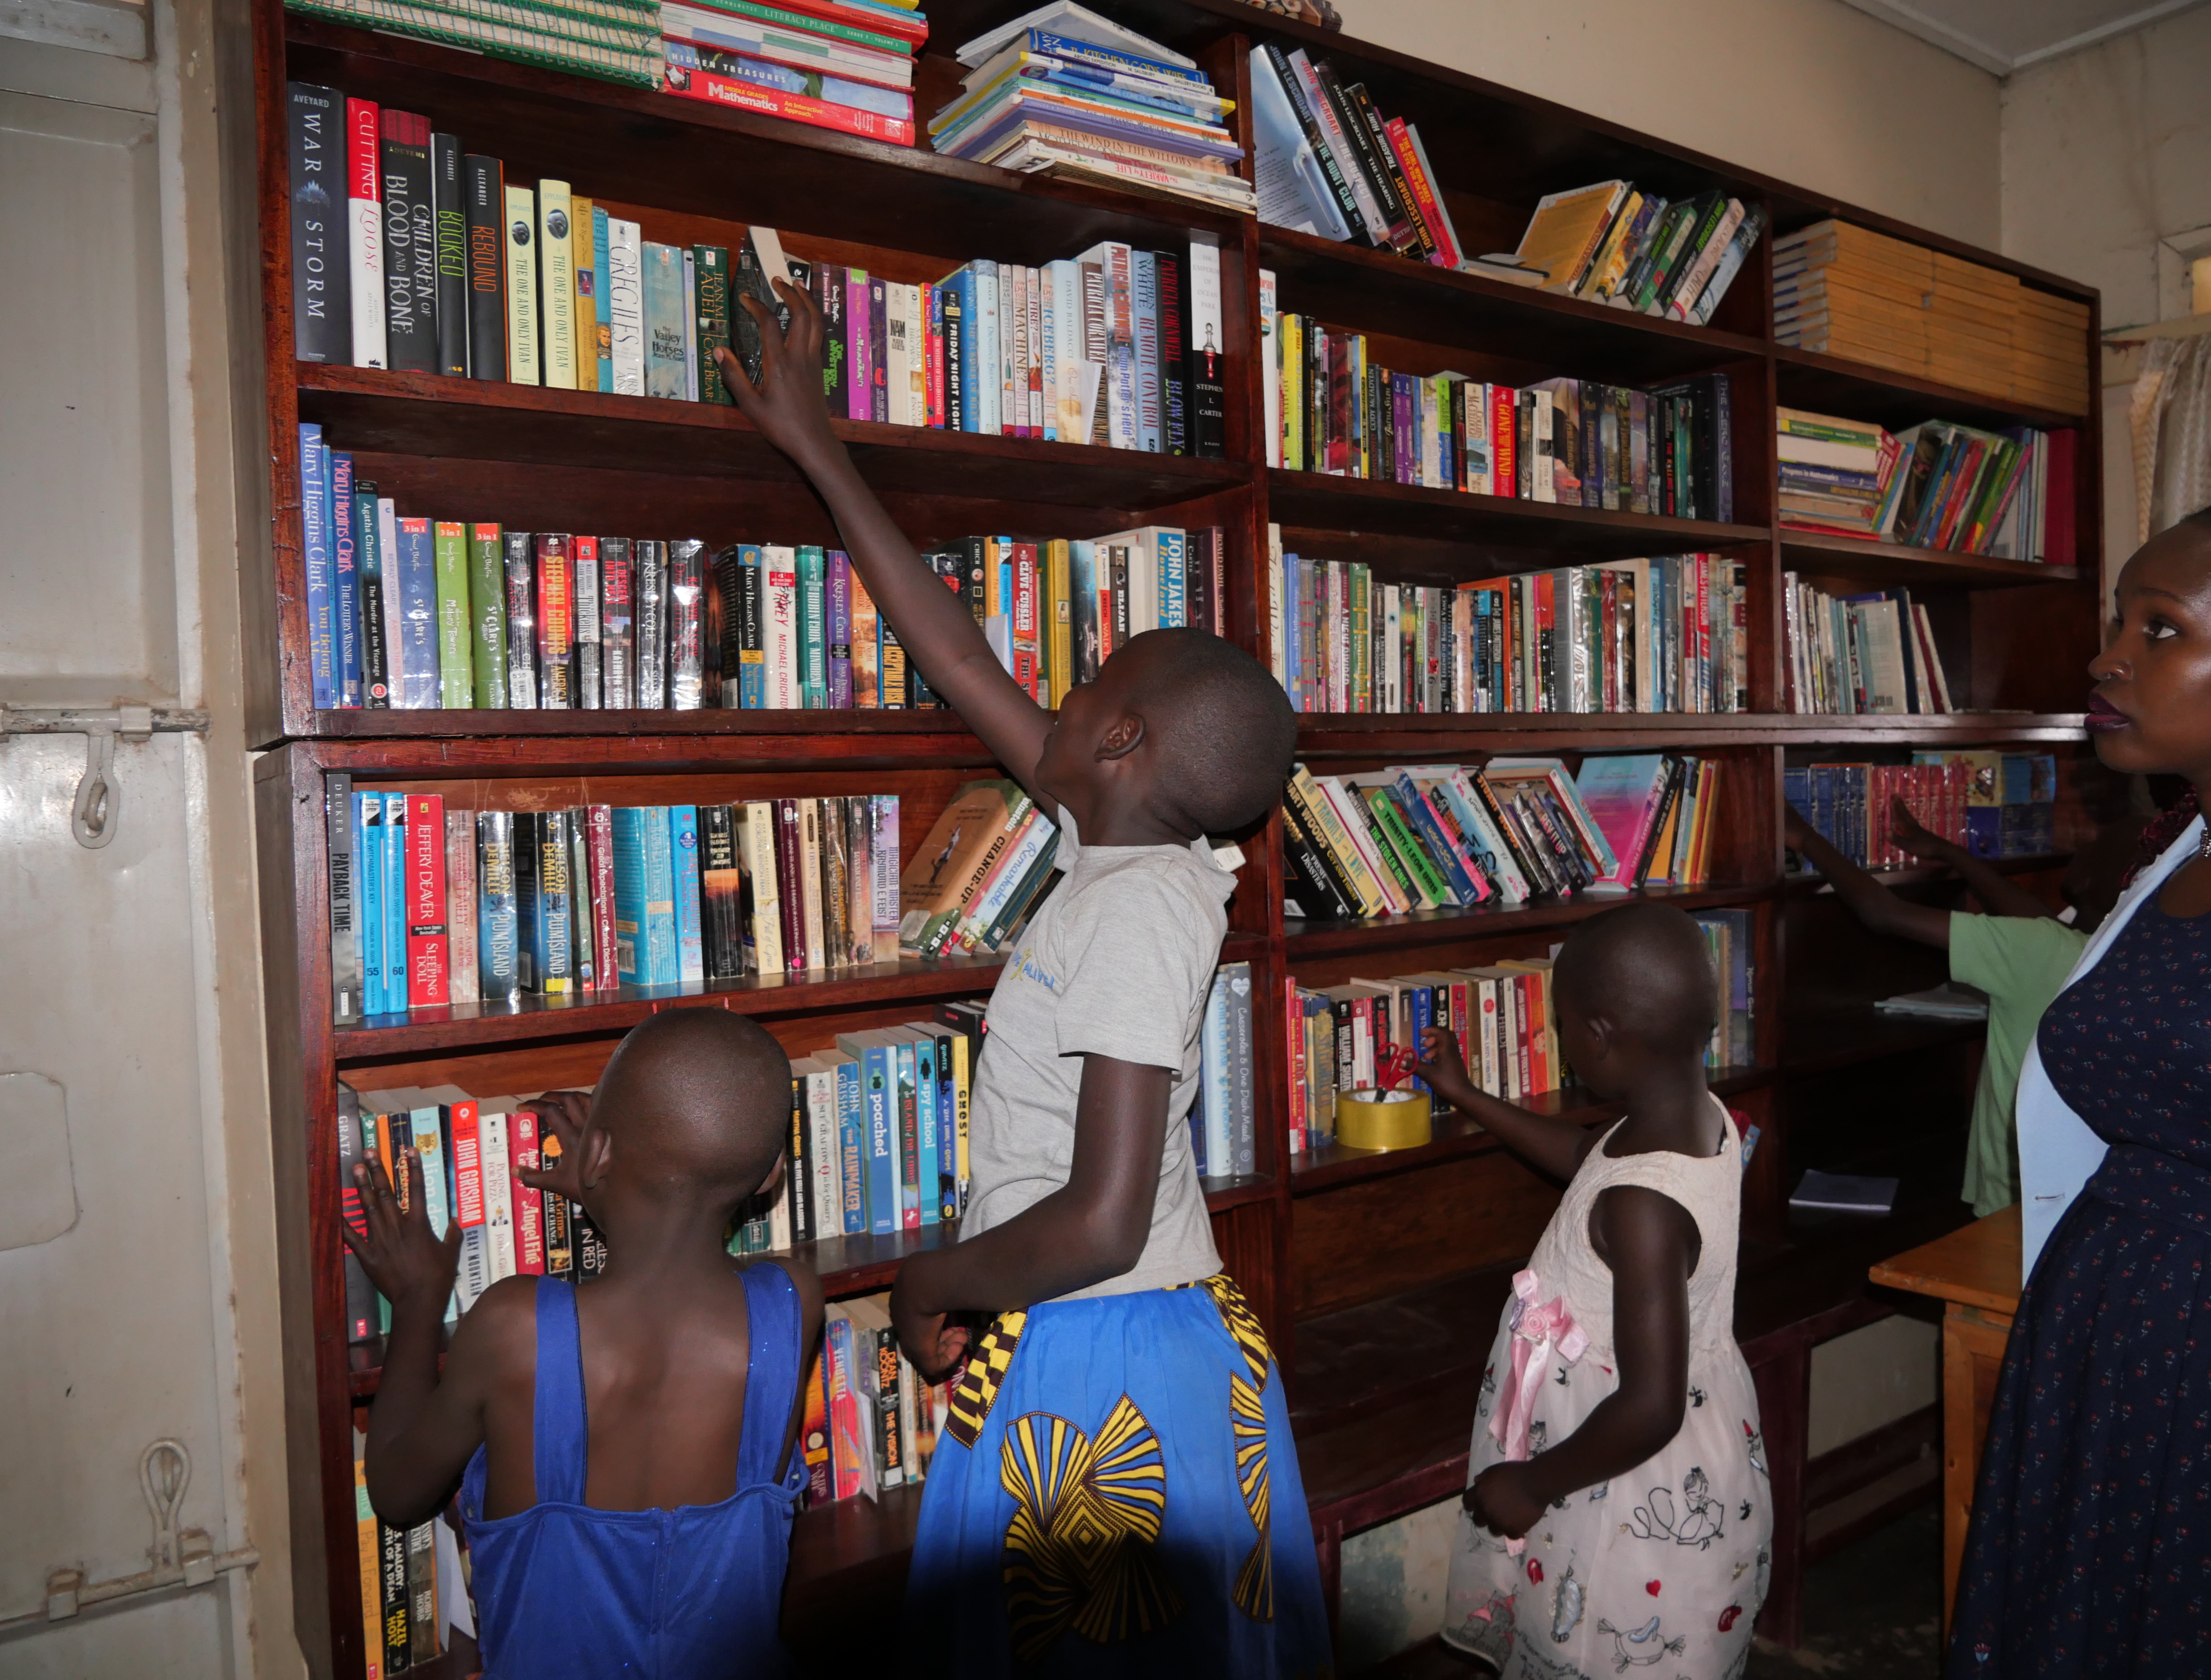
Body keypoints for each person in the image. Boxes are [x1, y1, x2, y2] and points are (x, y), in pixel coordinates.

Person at [717, 284, 1330, 1676]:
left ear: (1116, 736)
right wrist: (819, 446)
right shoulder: (1117, 852)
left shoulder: (1137, 916)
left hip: (1108, 1345)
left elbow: (1106, 1216)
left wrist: (934, 1276)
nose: (1043, 702)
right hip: (1104, 1334)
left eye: (1084, 684)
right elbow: (959, 654)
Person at [1950, 490, 2211, 1674]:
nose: (2107, 656)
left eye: (2161, 628)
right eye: (2119, 619)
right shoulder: (2175, 858)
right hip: (2104, 1321)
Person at [340, 1009, 823, 1678]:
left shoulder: (517, 1327)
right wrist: (614, 1187)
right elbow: (686, 1284)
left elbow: (396, 1492)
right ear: (773, 1174)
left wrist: (421, 1301)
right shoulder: (793, 1304)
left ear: (595, 1151)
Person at [1427, 901, 1770, 1678]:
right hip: (1658, 1458)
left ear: (1597, 1035)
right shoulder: (1691, 1118)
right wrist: (1468, 1095)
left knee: (1602, 1649)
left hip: (1616, 1487)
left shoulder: (1643, 1207)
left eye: (1562, 1025)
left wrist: (1529, 1483)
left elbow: (1649, 1403)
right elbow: (1588, 1156)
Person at [1782, 792, 2143, 1215]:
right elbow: (2035, 921)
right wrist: (1949, 852)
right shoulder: (2111, 951)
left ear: (2099, 882)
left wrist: (1805, 838)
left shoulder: (2043, 951)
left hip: (2015, 1199)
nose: (2083, 846)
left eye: (2096, 847)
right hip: (2069, 1190)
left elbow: (1883, 912)